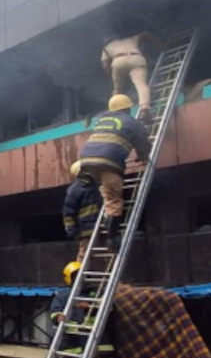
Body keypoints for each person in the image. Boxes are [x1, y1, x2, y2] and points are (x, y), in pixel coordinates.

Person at [77, 94, 152, 251]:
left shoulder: (102, 119)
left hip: (87, 161)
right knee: (114, 200)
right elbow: (143, 143)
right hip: (108, 161)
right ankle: (112, 239)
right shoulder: (132, 122)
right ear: (128, 108)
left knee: (106, 190)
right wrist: (143, 157)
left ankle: (107, 218)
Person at [101, 33, 154, 113]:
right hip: (136, 58)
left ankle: (114, 111)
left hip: (118, 60)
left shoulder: (106, 48)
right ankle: (144, 108)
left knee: (118, 89)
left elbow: (105, 64)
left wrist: (110, 74)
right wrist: (158, 44)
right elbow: (145, 34)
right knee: (141, 85)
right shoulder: (130, 39)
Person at [62, 161, 103, 261]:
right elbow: (68, 213)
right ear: (79, 173)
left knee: (106, 252)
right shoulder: (74, 190)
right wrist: (71, 230)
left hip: (101, 225)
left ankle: (110, 271)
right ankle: (79, 270)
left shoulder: (95, 185)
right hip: (86, 229)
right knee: (84, 255)